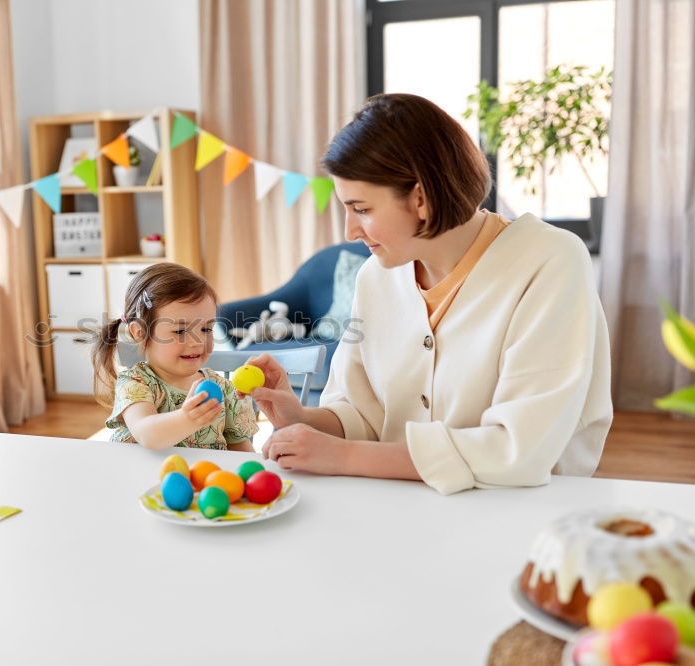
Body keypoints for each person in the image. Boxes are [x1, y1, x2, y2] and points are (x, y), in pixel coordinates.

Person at [248, 93, 612, 495]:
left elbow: (520, 450)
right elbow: (363, 415)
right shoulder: (376, 278)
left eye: (362, 209)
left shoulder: (549, 261)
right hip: (402, 509)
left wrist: (345, 457)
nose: (350, 231)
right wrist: (301, 418)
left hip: (521, 514)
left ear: (420, 198)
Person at [93, 263, 257, 451]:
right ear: (139, 332)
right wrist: (186, 419)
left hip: (199, 480)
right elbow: (147, 434)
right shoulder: (136, 383)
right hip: (141, 477)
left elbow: (242, 454)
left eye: (206, 329)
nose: (197, 341)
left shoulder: (223, 389)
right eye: (180, 331)